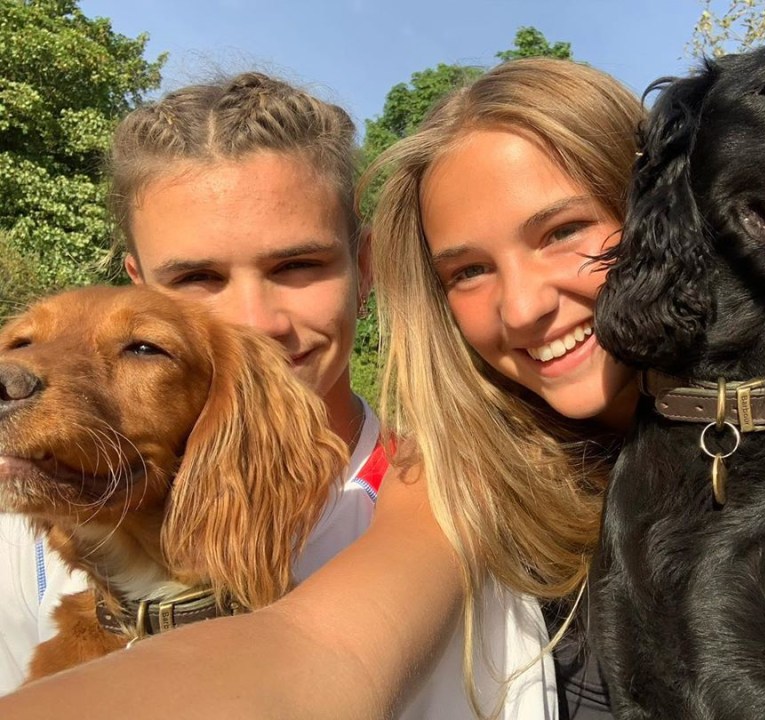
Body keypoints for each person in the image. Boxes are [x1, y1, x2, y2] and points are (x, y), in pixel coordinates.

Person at [3, 57, 765, 720]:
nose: (525, 305)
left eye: (565, 232)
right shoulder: (465, 473)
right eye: (466, 271)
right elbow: (322, 657)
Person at [0, 71, 555, 719]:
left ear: (365, 266)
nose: (257, 321)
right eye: (196, 277)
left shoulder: (456, 514)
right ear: (137, 284)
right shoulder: (30, 533)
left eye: (297, 267)